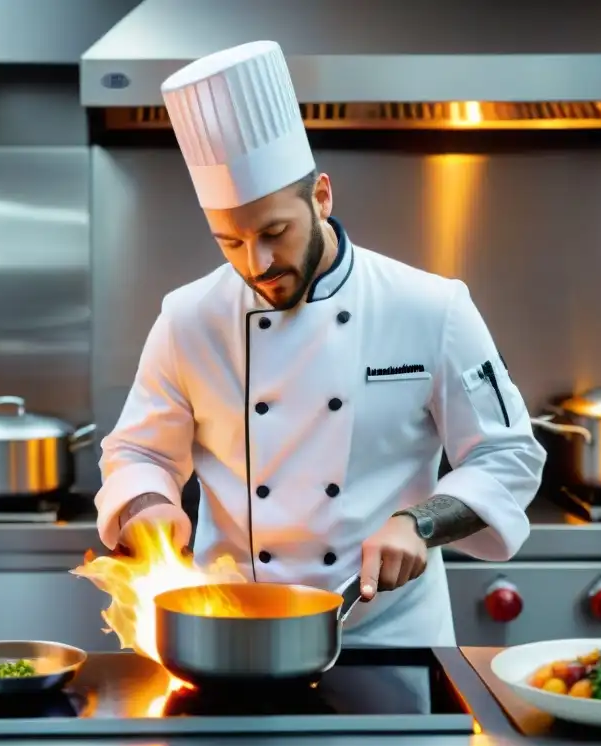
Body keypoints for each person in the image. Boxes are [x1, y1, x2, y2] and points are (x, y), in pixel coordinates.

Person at [94, 40, 546, 647]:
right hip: (231, 635)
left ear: (322, 197)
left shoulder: (432, 307)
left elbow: (508, 455)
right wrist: (147, 506)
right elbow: (139, 454)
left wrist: (419, 523)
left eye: (274, 232)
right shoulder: (188, 318)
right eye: (229, 242)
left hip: (388, 635)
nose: (255, 263)